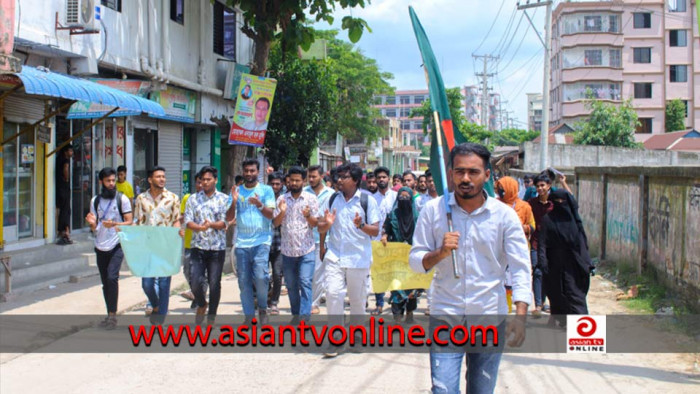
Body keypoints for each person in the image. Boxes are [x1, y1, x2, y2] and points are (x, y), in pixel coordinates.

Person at [409, 143, 531, 393]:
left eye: (473, 172)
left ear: (487, 175)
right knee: (443, 390)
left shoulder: (504, 216)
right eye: (459, 171)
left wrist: (520, 316)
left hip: (488, 316)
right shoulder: (434, 211)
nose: (465, 178)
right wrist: (440, 252)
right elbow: (416, 261)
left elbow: (520, 267)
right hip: (446, 314)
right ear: (451, 173)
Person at [318, 163, 380, 357]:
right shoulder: (332, 199)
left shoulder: (367, 200)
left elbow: (376, 230)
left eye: (344, 177)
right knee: (333, 294)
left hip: (358, 258)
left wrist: (361, 225)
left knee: (357, 301)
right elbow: (321, 226)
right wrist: (324, 231)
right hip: (335, 255)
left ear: (354, 180)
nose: (339, 180)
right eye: (338, 176)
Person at [227, 159, 276, 323]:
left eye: (252, 171)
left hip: (262, 241)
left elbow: (271, 216)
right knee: (243, 281)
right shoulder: (236, 191)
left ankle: (262, 307)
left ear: (258, 172)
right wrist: (233, 202)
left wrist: (260, 205)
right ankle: (249, 315)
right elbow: (228, 217)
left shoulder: (266, 190)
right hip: (242, 243)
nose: (249, 174)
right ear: (243, 171)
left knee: (261, 277)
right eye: (246, 170)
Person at [85, 167, 133, 330]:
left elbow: (129, 222)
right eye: (108, 181)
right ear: (101, 182)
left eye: (113, 180)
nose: (112, 183)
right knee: (105, 281)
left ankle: (113, 316)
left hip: (116, 244)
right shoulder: (95, 201)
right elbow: (94, 226)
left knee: (113, 278)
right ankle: (109, 313)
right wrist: (92, 224)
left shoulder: (123, 199)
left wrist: (114, 224)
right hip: (100, 245)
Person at [133, 166, 181, 324]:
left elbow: (176, 221)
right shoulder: (141, 199)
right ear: (150, 179)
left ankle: (160, 320)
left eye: (163, 176)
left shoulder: (172, 198)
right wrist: (125, 231)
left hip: (166, 246)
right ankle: (155, 305)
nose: (162, 179)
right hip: (147, 247)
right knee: (146, 283)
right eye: (158, 176)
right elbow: (137, 222)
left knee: (164, 284)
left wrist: (177, 235)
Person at [538, 189, 592, 326]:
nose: (560, 204)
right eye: (557, 201)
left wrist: (587, 262)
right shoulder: (547, 219)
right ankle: (563, 320)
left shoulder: (574, 221)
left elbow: (582, 243)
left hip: (573, 262)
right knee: (556, 291)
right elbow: (542, 242)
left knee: (575, 292)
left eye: (563, 201)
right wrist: (542, 261)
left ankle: (581, 325)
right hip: (553, 262)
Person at [184, 166, 230, 325]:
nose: (205, 182)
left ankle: (211, 316)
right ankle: (202, 304)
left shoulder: (224, 199)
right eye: (202, 179)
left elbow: (226, 223)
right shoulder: (193, 199)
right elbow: (188, 221)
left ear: (215, 180)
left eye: (208, 179)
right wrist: (199, 227)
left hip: (217, 248)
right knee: (195, 281)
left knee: (214, 283)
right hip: (198, 246)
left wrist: (211, 225)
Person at [274, 166, 319, 322]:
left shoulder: (311, 199)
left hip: (307, 250)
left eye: (297, 180)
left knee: (305, 282)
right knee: (292, 287)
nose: (294, 183)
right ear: (288, 181)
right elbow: (275, 223)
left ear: (303, 181)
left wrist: (308, 216)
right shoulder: (281, 200)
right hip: (287, 252)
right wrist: (282, 212)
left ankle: (304, 318)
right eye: (291, 180)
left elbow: (315, 224)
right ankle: (296, 314)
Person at [495, 176, 536, 315]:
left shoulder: (525, 207)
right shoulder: (495, 205)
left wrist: (518, 228)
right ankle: (505, 307)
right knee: (503, 280)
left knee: (517, 277)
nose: (500, 192)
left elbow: (532, 226)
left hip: (518, 248)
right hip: (499, 248)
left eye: (503, 189)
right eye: (498, 189)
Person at [381, 186, 422, 323]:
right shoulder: (393, 214)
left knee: (411, 289)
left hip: (412, 256)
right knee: (396, 288)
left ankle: (410, 313)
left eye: (407, 197)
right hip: (396, 256)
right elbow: (386, 229)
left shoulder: (417, 217)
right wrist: (385, 236)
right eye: (401, 197)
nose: (404, 200)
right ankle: (397, 317)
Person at [304, 165, 334, 315]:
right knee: (305, 274)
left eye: (314, 176)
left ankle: (313, 303)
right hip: (305, 238)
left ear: (322, 176)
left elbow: (332, 217)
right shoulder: (304, 193)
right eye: (309, 176)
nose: (311, 179)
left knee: (317, 273)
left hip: (324, 238)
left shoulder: (331, 194)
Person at [370, 166, 397, 315]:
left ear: (389, 179)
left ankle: (395, 302)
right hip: (376, 241)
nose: (381, 180)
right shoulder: (371, 199)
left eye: (384, 177)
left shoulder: (396, 196)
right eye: (378, 177)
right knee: (378, 274)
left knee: (394, 272)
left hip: (394, 241)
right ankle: (379, 303)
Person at [528, 174, 554, 314]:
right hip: (536, 242)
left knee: (549, 272)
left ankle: (549, 302)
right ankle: (538, 304)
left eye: (543, 185)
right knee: (537, 271)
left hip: (551, 243)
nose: (540, 188)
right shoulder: (531, 203)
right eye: (538, 186)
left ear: (549, 186)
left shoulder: (554, 203)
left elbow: (571, 200)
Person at [179, 172, 203, 304]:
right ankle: (195, 292)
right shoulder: (187, 198)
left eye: (203, 182)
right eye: (198, 182)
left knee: (200, 273)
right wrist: (179, 225)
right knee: (187, 269)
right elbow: (182, 217)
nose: (200, 185)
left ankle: (199, 298)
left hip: (205, 243)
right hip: (189, 241)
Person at [267, 172, 285, 315]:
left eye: (277, 184)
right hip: (263, 243)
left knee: (277, 274)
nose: (275, 186)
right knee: (260, 274)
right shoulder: (264, 198)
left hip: (280, 243)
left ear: (282, 185)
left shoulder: (285, 200)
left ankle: (274, 302)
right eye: (272, 183)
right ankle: (266, 294)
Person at [56, 145, 74, 245]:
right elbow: (66, 169)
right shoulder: (65, 161)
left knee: (62, 209)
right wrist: (66, 179)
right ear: (65, 152)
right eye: (70, 151)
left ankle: (62, 231)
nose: (72, 153)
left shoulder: (58, 159)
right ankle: (65, 232)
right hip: (64, 187)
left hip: (59, 187)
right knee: (66, 210)